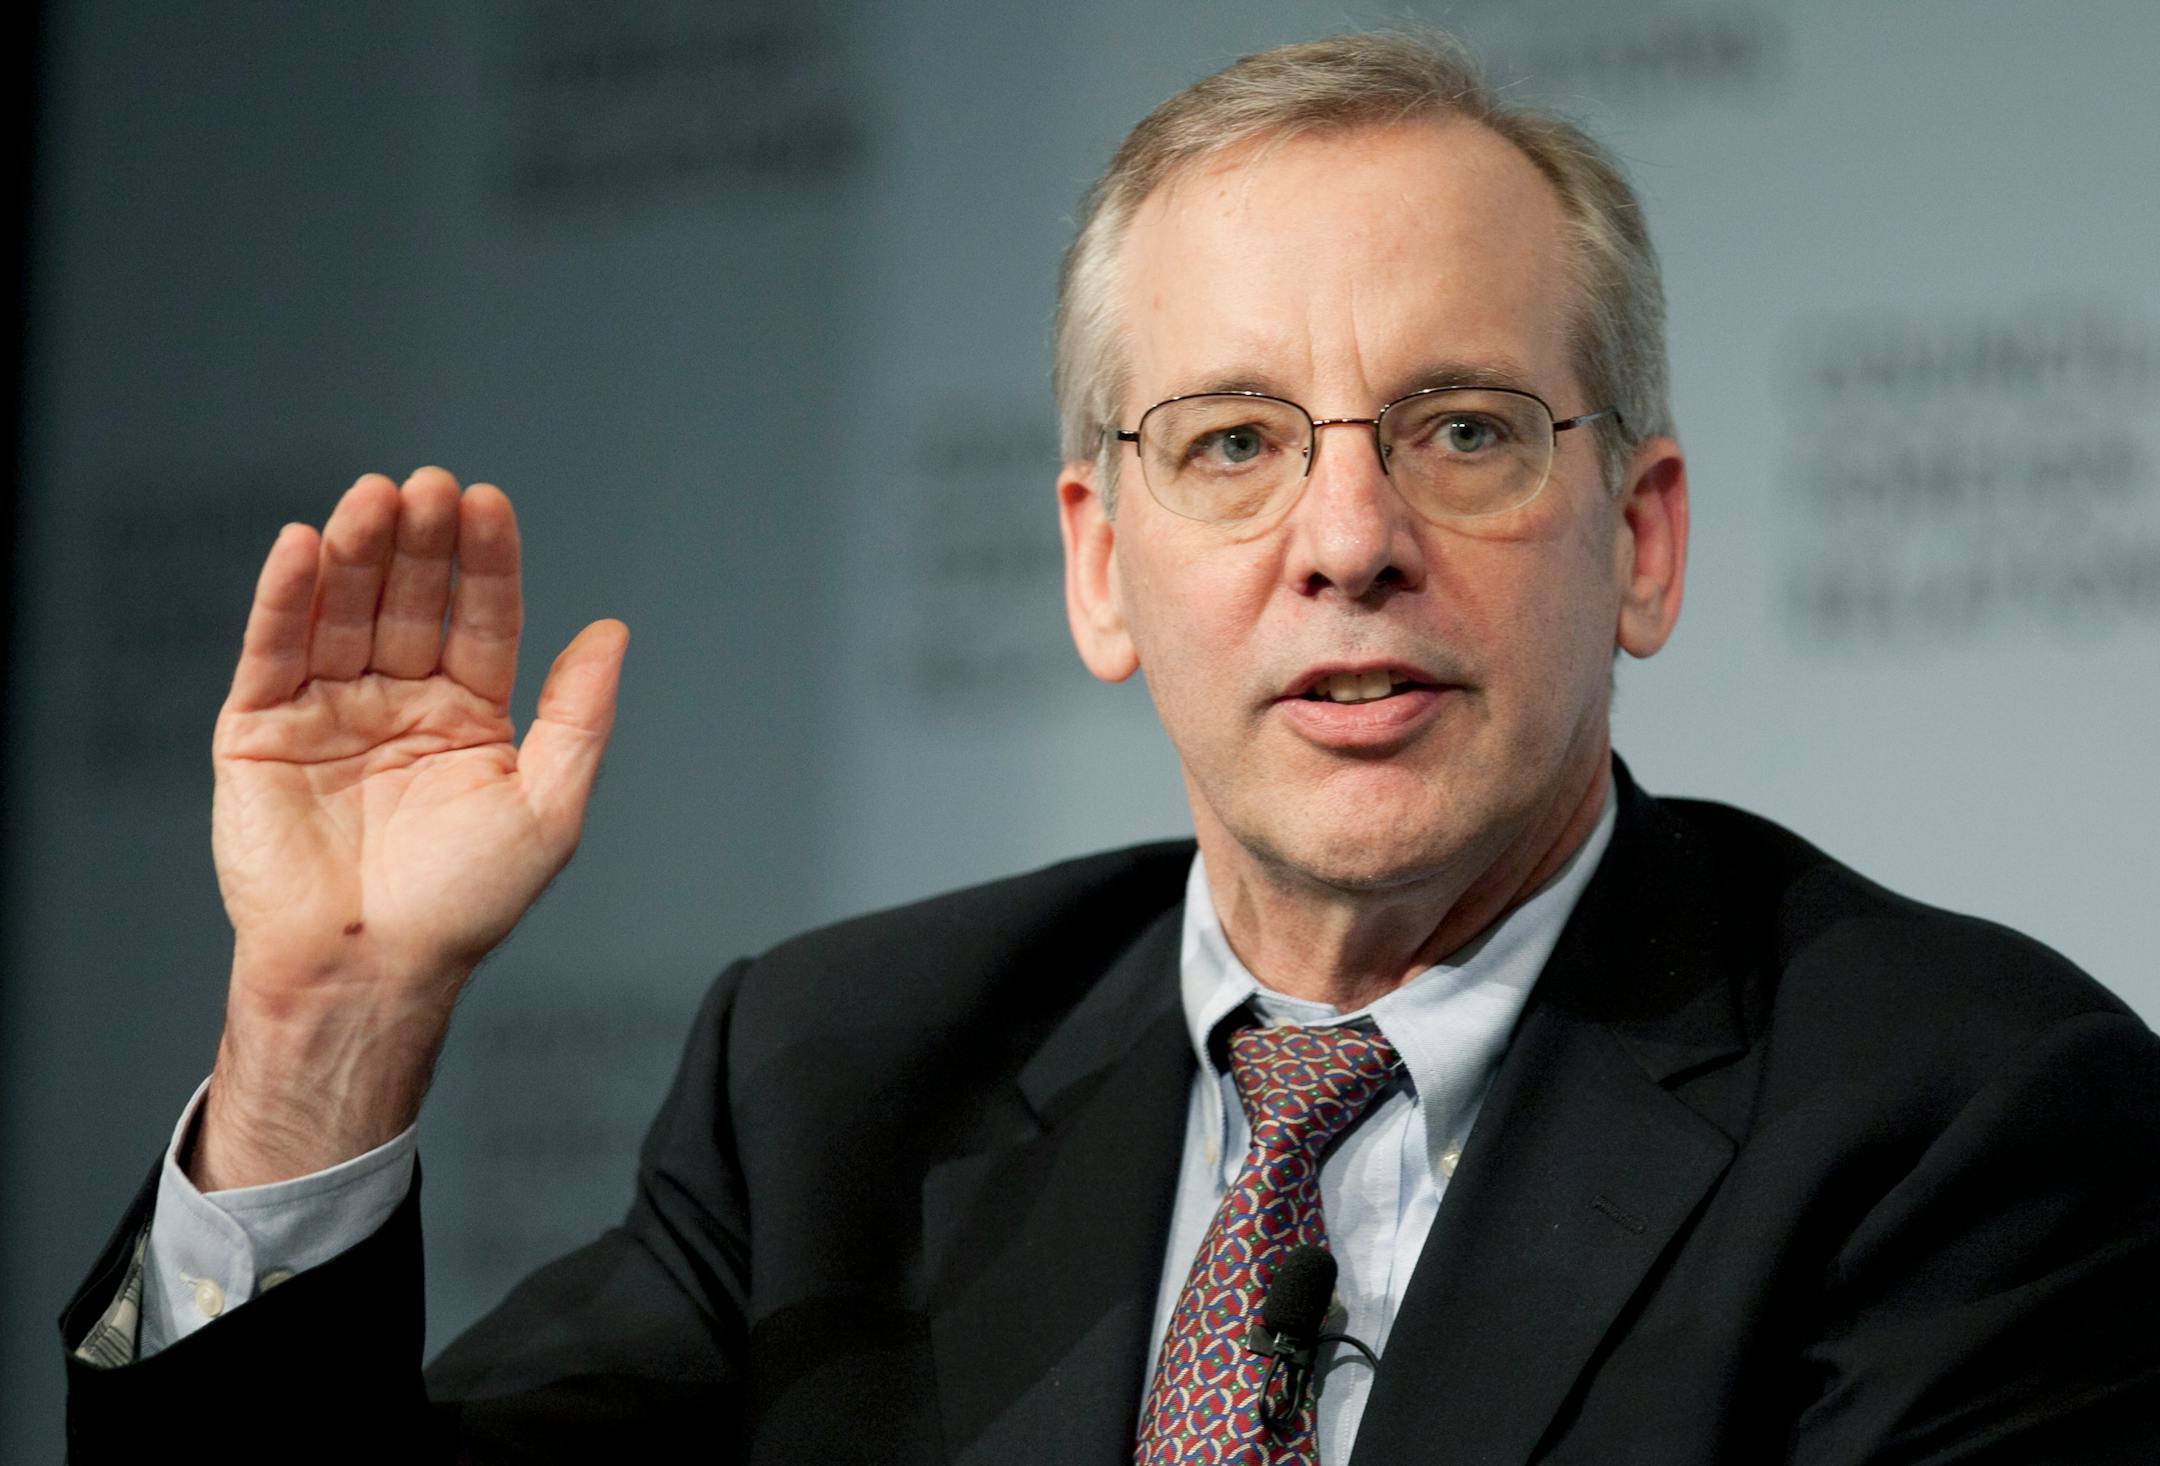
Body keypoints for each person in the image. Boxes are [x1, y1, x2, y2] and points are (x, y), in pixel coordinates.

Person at [60, 30, 2160, 1464]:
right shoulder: (837, 1083)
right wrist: (322, 1034)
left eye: (1463, 431)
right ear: (1097, 562)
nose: (1350, 541)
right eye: (1235, 444)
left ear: (1643, 537)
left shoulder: (1964, 1119)